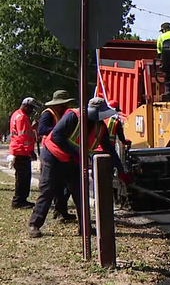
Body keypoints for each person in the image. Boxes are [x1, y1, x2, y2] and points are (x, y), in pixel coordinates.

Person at [28, 98, 133, 238]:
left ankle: (85, 228)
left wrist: (121, 171)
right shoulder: (73, 116)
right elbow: (56, 137)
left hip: (73, 161)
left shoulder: (100, 128)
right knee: (48, 190)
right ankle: (34, 224)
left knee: (80, 193)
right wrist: (76, 154)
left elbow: (110, 150)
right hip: (53, 156)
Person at [37, 90, 78, 220]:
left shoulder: (65, 114)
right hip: (51, 151)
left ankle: (61, 211)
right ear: (56, 105)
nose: (65, 107)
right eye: (62, 105)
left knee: (63, 186)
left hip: (63, 152)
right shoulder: (48, 114)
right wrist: (59, 130)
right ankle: (42, 218)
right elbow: (41, 130)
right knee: (50, 186)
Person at [9, 97, 40, 208]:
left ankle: (21, 199)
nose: (32, 111)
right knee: (23, 178)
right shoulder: (22, 117)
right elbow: (24, 136)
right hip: (21, 151)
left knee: (21, 177)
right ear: (26, 106)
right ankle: (19, 201)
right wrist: (30, 151)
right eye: (31, 108)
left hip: (18, 149)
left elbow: (22, 132)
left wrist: (32, 127)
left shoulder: (16, 114)